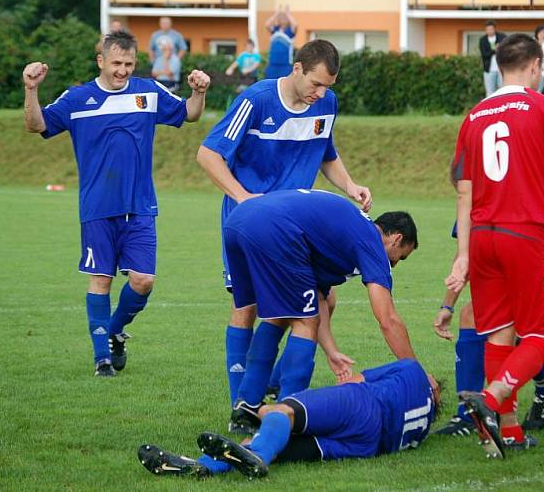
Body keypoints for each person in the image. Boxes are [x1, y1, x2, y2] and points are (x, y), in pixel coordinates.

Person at [196, 39, 372, 423]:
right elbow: (208, 154)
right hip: (254, 224)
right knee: (248, 307)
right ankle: (239, 404)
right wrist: (244, 197)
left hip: (298, 227)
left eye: (328, 85)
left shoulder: (325, 103)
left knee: (324, 303)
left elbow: (326, 153)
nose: (321, 93)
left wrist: (351, 185)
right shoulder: (256, 100)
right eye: (316, 83)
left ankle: (271, 385)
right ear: (296, 69)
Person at [22, 30, 209, 376]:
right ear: (101, 61)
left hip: (140, 207)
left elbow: (190, 114)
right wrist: (31, 90)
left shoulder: (148, 92)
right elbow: (36, 125)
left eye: (129, 64)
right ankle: (101, 359)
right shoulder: (78, 98)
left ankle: (114, 331)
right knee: (100, 281)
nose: (122, 70)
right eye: (116, 63)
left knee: (143, 281)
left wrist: (199, 91)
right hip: (96, 208)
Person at [445, 33, 544, 458]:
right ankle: (490, 400)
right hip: (527, 233)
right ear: (536, 67)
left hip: (484, 236)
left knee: (500, 334)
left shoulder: (475, 115)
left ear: (500, 66)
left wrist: (464, 254)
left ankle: (504, 435)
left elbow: (463, 192)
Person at [220, 190, 420, 434]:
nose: (395, 264)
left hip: (239, 220)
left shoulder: (342, 233)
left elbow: (318, 299)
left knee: (281, 314)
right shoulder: (370, 240)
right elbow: (387, 319)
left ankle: (247, 409)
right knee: (304, 322)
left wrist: (331, 351)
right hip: (273, 227)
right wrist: (415, 374)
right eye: (401, 257)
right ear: (396, 239)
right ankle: (287, 416)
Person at [433, 184, 544, 437]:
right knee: (475, 317)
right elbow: (466, 251)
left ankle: (539, 391)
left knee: (525, 332)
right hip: (516, 254)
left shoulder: (532, 184)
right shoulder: (479, 188)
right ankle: (468, 415)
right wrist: (448, 305)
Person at [137, 358, 440, 479]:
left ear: (434, 386)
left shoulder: (414, 371)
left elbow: (355, 381)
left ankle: (254, 455)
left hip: (364, 406)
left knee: (281, 412)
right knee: (270, 443)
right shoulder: (424, 428)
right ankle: (201, 468)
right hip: (368, 446)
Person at [264, 5, 297, 79]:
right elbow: (267, 24)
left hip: (285, 65)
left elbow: (295, 25)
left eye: (285, 17)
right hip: (272, 65)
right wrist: (276, 13)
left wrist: (288, 14)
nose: (283, 19)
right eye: (281, 17)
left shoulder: (290, 32)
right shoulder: (275, 30)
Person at [478, 20, 506, 97]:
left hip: (501, 69)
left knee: (502, 90)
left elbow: (506, 49)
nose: (489, 31)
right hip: (489, 70)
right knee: (490, 92)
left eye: (491, 29)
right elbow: (484, 54)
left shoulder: (502, 37)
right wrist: (494, 50)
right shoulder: (483, 40)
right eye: (488, 29)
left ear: (494, 29)